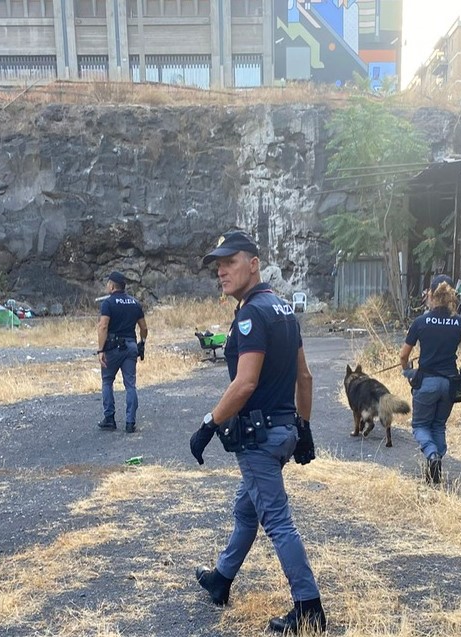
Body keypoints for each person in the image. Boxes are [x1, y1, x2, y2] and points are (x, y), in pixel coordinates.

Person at [190, 231, 326, 634]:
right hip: (281, 432)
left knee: (277, 521)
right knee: (247, 509)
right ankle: (221, 579)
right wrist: (302, 427)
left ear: (253, 263)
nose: (221, 271)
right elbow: (305, 376)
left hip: (259, 438)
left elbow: (245, 383)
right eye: (218, 265)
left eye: (229, 261)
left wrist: (208, 424)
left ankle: (309, 608)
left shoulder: (251, 314)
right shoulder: (283, 308)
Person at [398, 274, 461, 484]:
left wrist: (408, 371)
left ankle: (431, 455)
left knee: (420, 425)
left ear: (430, 294)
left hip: (426, 381)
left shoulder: (420, 322)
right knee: (438, 425)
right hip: (449, 383)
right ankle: (435, 465)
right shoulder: (460, 323)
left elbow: (403, 355)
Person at [97, 271, 147, 433]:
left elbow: (103, 326)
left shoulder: (108, 303)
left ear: (112, 286)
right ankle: (130, 422)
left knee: (107, 381)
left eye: (107, 283)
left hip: (112, 347)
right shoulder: (135, 303)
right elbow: (144, 327)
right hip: (131, 346)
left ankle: (109, 419)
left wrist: (100, 350)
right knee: (130, 385)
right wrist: (142, 342)